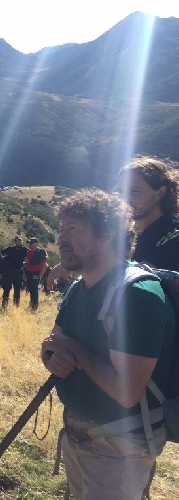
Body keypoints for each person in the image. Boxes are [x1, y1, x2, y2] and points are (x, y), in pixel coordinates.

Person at [40, 189, 174, 500]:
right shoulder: (78, 288)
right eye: (61, 228)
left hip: (120, 448)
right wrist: (52, 357)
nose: (61, 237)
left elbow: (126, 392)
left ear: (107, 235)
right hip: (78, 436)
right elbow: (53, 343)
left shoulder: (137, 296)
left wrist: (74, 350)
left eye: (72, 229)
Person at [118, 155, 179, 271]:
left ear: (161, 192)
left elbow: (135, 275)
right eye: (121, 192)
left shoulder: (173, 238)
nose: (125, 199)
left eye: (134, 192)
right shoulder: (128, 234)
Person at [0, 236, 28, 309]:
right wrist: (3, 261)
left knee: (17, 290)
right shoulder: (10, 249)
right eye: (18, 240)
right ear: (15, 242)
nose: (20, 242)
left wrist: (26, 264)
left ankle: (16, 307)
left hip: (19, 271)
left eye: (21, 240)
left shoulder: (25, 250)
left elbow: (30, 256)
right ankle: (4, 306)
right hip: (9, 271)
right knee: (6, 289)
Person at [24, 237, 48, 310]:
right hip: (29, 273)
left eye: (31, 243)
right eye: (29, 243)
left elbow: (45, 265)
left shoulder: (41, 252)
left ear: (35, 244)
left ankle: (34, 307)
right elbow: (28, 263)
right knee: (30, 289)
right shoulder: (29, 252)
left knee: (34, 290)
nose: (29, 245)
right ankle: (32, 304)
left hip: (36, 274)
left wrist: (40, 276)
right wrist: (25, 273)